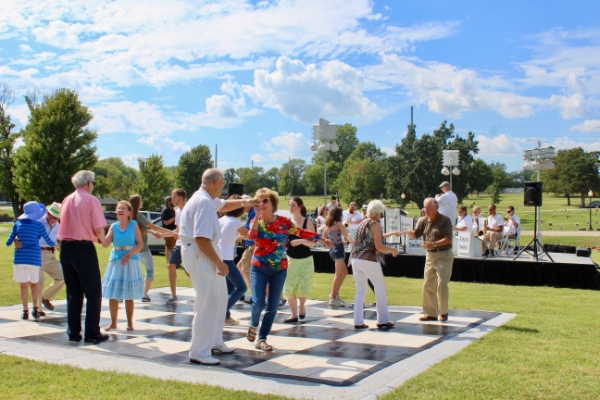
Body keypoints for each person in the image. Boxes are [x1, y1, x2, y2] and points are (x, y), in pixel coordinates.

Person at [179, 168, 256, 365]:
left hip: (204, 253)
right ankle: (199, 351)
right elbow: (202, 239)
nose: (223, 186)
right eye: (222, 183)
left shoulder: (206, 198)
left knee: (220, 298)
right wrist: (219, 263)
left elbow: (225, 204)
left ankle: (214, 341)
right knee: (206, 303)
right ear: (216, 182)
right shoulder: (204, 203)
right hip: (201, 254)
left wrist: (247, 202)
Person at [247, 188, 324, 352]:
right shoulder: (257, 222)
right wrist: (255, 215)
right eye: (259, 201)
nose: (262, 204)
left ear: (273, 203)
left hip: (279, 269)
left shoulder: (284, 222)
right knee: (259, 302)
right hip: (259, 267)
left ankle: (262, 338)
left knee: (273, 306)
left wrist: (321, 238)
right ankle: (253, 324)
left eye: (265, 200)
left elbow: (301, 232)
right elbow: (252, 236)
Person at [58, 170, 108, 343]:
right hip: (83, 247)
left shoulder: (66, 200)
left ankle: (73, 332)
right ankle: (92, 332)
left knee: (73, 292)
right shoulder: (91, 200)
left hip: (66, 247)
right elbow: (99, 228)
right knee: (93, 292)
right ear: (88, 183)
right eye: (93, 183)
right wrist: (103, 241)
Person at [349, 200, 398, 329]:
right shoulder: (375, 224)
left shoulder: (363, 222)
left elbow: (375, 239)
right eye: (381, 214)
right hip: (369, 259)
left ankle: (358, 321)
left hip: (355, 259)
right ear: (376, 213)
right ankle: (383, 320)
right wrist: (392, 250)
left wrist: (392, 234)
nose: (381, 217)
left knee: (360, 291)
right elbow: (379, 246)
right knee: (380, 288)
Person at [404, 198, 453, 322]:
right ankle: (430, 313)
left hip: (443, 255)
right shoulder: (423, 220)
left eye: (428, 207)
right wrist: (409, 233)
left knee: (442, 284)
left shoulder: (445, 220)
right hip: (430, 256)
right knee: (427, 284)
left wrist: (434, 244)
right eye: (425, 207)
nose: (426, 210)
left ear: (436, 207)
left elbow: (448, 239)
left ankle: (444, 312)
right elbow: (416, 234)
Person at [6, 201, 55, 320]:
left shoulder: (17, 224)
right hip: (34, 258)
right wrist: (56, 244)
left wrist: (14, 241)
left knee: (23, 285)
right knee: (34, 284)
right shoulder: (38, 226)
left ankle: (25, 311)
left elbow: (8, 241)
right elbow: (49, 241)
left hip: (20, 258)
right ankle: (35, 309)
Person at [101, 201, 144, 331]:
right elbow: (105, 244)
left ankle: (130, 323)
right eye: (119, 208)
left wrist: (130, 254)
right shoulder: (113, 226)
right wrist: (97, 232)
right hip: (116, 260)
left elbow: (140, 244)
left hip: (130, 260)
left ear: (129, 212)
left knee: (128, 293)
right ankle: (113, 322)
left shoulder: (134, 225)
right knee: (113, 292)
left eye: (123, 208)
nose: (120, 210)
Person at [129, 194, 177, 302]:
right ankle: (144, 294)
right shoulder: (139, 215)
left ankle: (123, 295)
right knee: (149, 271)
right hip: (142, 248)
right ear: (137, 203)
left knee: (129, 271)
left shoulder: (129, 216)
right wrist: (171, 232)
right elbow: (154, 226)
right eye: (141, 200)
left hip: (131, 249)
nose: (142, 202)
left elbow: (140, 228)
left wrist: (150, 232)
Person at [283, 196, 317, 323]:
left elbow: (314, 243)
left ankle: (302, 307)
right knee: (288, 287)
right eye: (289, 205)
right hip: (290, 259)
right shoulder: (288, 223)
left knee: (303, 287)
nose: (290, 208)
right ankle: (293, 315)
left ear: (300, 207)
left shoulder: (307, 222)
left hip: (305, 260)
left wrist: (301, 240)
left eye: (293, 205)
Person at [218, 194, 249, 326]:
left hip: (219, 258)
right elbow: (250, 235)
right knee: (242, 287)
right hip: (227, 260)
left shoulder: (221, 220)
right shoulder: (235, 223)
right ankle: (222, 312)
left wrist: (238, 237)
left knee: (230, 287)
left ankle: (226, 316)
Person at [322, 207, 354, 307]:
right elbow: (346, 234)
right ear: (338, 215)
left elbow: (323, 240)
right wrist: (352, 241)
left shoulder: (327, 225)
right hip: (338, 250)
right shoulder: (339, 224)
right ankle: (333, 297)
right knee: (338, 274)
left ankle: (335, 295)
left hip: (334, 249)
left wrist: (332, 244)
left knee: (344, 272)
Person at [162, 189, 188, 304]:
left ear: (180, 198)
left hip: (189, 244)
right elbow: (177, 230)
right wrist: (163, 234)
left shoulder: (189, 210)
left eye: (174, 197)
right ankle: (173, 295)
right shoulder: (177, 212)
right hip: (179, 243)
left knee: (188, 270)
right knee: (171, 266)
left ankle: (200, 292)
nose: (172, 199)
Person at [38, 202, 64, 312]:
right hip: (37, 254)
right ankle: (37, 309)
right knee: (39, 282)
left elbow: (59, 238)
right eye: (53, 217)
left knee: (63, 276)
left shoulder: (57, 225)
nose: (54, 220)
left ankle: (45, 297)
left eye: (57, 218)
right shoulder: (38, 222)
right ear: (48, 213)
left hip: (50, 255)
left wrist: (59, 243)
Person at [236, 194, 255, 302]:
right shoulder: (251, 213)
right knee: (240, 267)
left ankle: (253, 294)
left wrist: (239, 236)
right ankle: (242, 291)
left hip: (252, 245)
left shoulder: (253, 213)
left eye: (243, 204)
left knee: (244, 269)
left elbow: (250, 232)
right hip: (250, 245)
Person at [161, 196, 177, 265]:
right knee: (168, 247)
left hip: (173, 231)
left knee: (173, 247)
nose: (173, 201)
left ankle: (173, 262)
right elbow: (166, 222)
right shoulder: (166, 210)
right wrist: (175, 218)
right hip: (167, 231)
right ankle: (169, 262)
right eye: (172, 200)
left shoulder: (172, 210)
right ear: (168, 202)